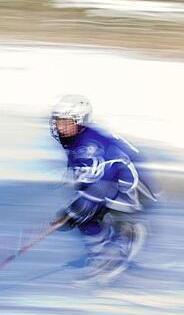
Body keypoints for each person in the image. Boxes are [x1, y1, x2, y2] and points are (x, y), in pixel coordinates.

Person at [48, 95, 158, 284]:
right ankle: (103, 253)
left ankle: (124, 240)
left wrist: (73, 211)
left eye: (66, 122)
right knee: (83, 215)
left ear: (80, 121)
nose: (60, 127)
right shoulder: (78, 139)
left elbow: (98, 188)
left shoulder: (89, 147)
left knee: (85, 213)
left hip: (134, 186)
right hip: (114, 181)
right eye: (58, 122)